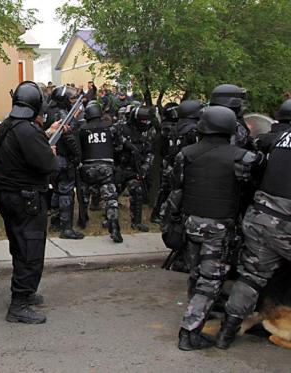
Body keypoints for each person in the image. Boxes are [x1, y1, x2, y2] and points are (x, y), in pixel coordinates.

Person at [163, 106, 263, 351]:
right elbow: (252, 188)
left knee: (197, 276)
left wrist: (173, 221)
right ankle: (189, 333)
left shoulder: (185, 154)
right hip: (218, 228)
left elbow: (176, 191)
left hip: (191, 225)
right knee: (209, 282)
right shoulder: (242, 157)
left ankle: (197, 317)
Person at [214, 129, 289, 350]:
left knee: (251, 277)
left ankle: (227, 331)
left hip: (260, 218)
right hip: (286, 223)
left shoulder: (282, 137)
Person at [0, 81, 57, 324]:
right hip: (26, 199)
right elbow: (48, 166)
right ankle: (19, 303)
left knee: (20, 247)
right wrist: (50, 153)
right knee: (30, 250)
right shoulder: (28, 130)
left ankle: (25, 293)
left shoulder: (8, 126)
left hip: (10, 198)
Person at [78, 101, 123, 242]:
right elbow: (119, 146)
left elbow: (78, 148)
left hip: (87, 167)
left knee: (84, 196)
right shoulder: (111, 128)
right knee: (110, 198)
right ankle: (114, 226)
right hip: (106, 167)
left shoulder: (82, 129)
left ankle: (83, 219)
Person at [45, 85, 84, 239]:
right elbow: (68, 138)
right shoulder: (62, 114)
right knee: (66, 193)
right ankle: (66, 228)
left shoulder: (49, 112)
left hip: (53, 159)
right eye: (71, 98)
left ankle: (54, 223)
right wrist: (77, 156)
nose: (72, 101)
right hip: (63, 159)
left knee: (56, 191)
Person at [115, 104, 155, 232]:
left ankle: (136, 222)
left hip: (134, 169)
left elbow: (150, 153)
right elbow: (113, 137)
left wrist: (144, 168)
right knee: (112, 194)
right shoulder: (121, 127)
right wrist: (125, 144)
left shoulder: (146, 132)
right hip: (119, 167)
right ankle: (110, 219)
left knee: (137, 192)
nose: (144, 123)